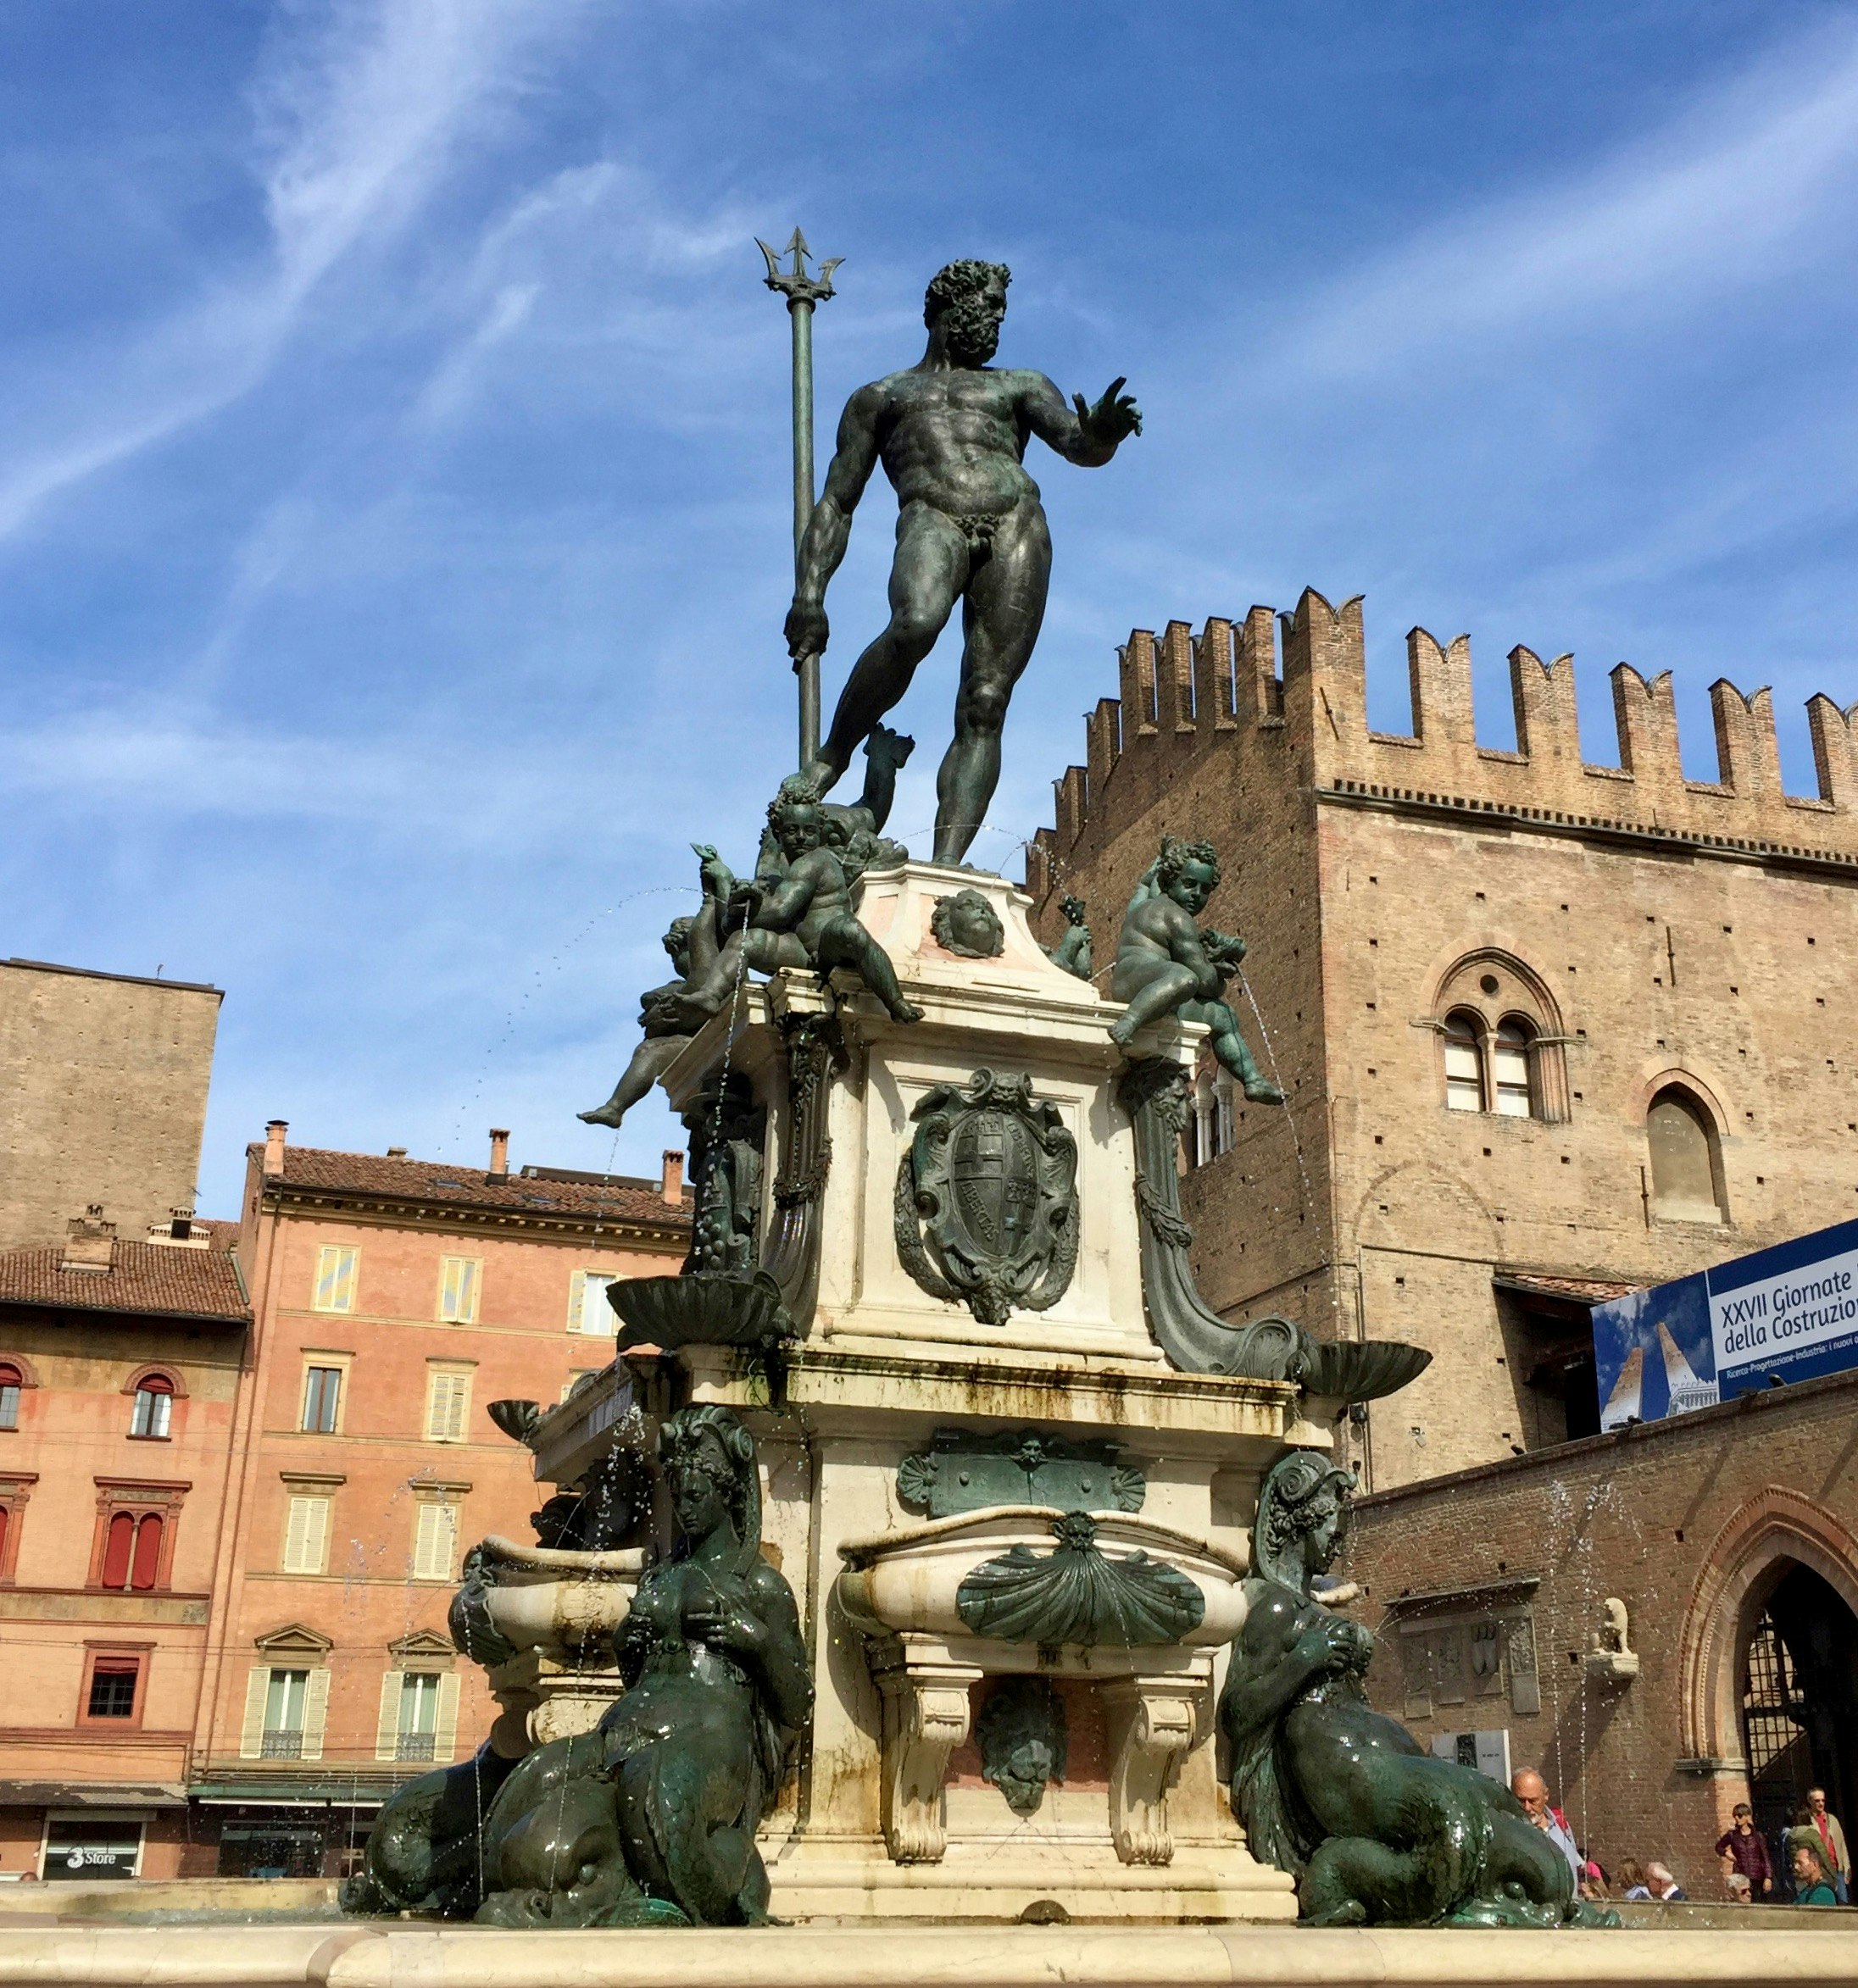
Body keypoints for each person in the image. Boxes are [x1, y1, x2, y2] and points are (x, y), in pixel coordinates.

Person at [786, 260, 1141, 865]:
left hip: (1016, 524)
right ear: (950, 308)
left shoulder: (1020, 386)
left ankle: (947, 869)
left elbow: (1079, 446)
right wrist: (810, 594)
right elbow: (838, 503)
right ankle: (833, 756)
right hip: (931, 518)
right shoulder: (881, 397)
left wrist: (1102, 435)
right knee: (914, 624)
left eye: (1004, 307)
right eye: (991, 304)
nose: (1000, 317)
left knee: (985, 700)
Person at [1108, 838, 1283, 1102]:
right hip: (1136, 984)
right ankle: (1129, 1023)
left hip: (1152, 990)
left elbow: (1144, 885)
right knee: (1184, 977)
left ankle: (1253, 1080)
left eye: (1204, 889)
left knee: (1222, 1016)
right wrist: (1220, 973)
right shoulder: (1178, 918)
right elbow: (1202, 980)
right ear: (1170, 882)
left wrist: (1160, 864)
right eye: (1189, 884)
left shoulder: (1142, 905)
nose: (1196, 894)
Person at [1510, 1768, 1583, 1885]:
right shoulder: (1508, 1833)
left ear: (1546, 1795)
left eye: (1533, 1801)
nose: (1527, 1807)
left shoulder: (1561, 1824)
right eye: (1521, 1800)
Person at [1715, 1801, 1773, 1897]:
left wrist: (1768, 1877)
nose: (1737, 1818)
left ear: (1747, 1816)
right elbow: (1718, 1847)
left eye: (1740, 1815)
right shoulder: (1732, 1835)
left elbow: (1765, 1857)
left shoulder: (1758, 1836)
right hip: (1740, 1875)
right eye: (1735, 1816)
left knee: (1758, 1903)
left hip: (1757, 1876)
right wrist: (1726, 1853)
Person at [1807, 1786, 1850, 1905]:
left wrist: (1846, 1867)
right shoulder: (1807, 1822)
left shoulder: (1833, 1820)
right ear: (1810, 1801)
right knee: (1825, 1903)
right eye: (1817, 1801)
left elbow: (1842, 1845)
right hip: (1821, 1870)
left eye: (1823, 1800)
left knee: (1843, 1904)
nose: (1821, 1803)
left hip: (1837, 1870)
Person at [1793, 1840, 1839, 1907]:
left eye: (1800, 1863)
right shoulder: (1807, 1890)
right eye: (1795, 1863)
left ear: (1814, 1865)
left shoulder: (1823, 1893)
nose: (1796, 1867)